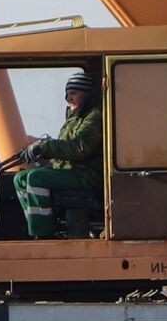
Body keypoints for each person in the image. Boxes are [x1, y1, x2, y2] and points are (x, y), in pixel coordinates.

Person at [14, 68, 104, 239]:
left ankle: (45, 235)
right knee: (20, 178)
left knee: (36, 179)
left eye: (73, 93)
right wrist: (47, 160)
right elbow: (66, 150)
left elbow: (78, 147)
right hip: (73, 171)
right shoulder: (75, 118)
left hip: (86, 175)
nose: (68, 98)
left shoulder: (95, 117)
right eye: (67, 94)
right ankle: (37, 226)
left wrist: (44, 147)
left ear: (87, 94)